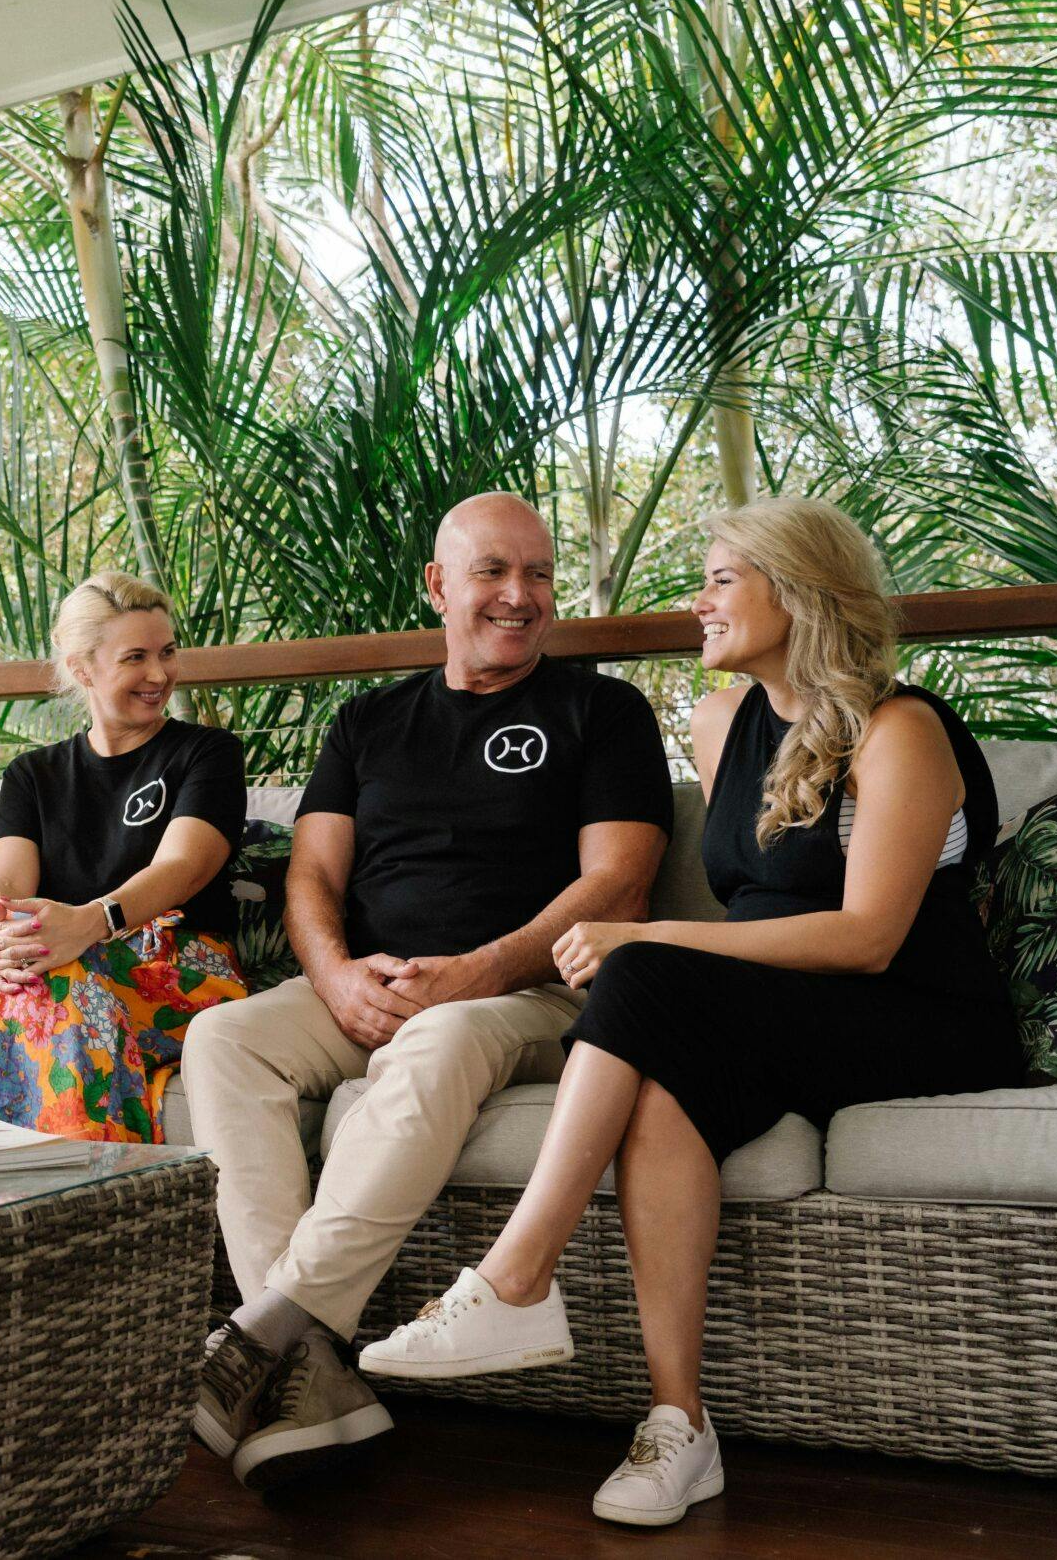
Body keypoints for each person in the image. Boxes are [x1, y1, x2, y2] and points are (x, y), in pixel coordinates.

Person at [361, 498, 1025, 1527]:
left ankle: (515, 1279)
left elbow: (868, 938)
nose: (698, 602)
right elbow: (754, 900)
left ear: (797, 593)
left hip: (913, 1012)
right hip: (775, 1006)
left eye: (720, 580)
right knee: (660, 1087)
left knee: (639, 972)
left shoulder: (902, 730)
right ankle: (678, 1426)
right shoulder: (722, 723)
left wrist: (655, 939)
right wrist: (666, 956)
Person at [182, 491, 673, 1489]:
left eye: (538, 573)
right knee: (224, 1040)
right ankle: (309, 1371)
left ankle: (260, 1333)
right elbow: (311, 877)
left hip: (532, 994)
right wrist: (334, 975)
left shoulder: (603, 711)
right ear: (438, 585)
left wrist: (475, 971)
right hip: (374, 985)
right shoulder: (368, 720)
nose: (519, 594)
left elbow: (619, 883)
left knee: (438, 1040)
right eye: (493, 570)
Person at [0, 571, 247, 1140]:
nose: (159, 674)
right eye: (136, 657)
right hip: (58, 969)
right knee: (40, 985)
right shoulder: (33, 775)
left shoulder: (207, 753)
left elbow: (184, 867)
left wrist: (90, 924)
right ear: (83, 668)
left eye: (167, 652)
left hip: (182, 969)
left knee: (41, 993)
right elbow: (1, 886)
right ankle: (76, 1179)